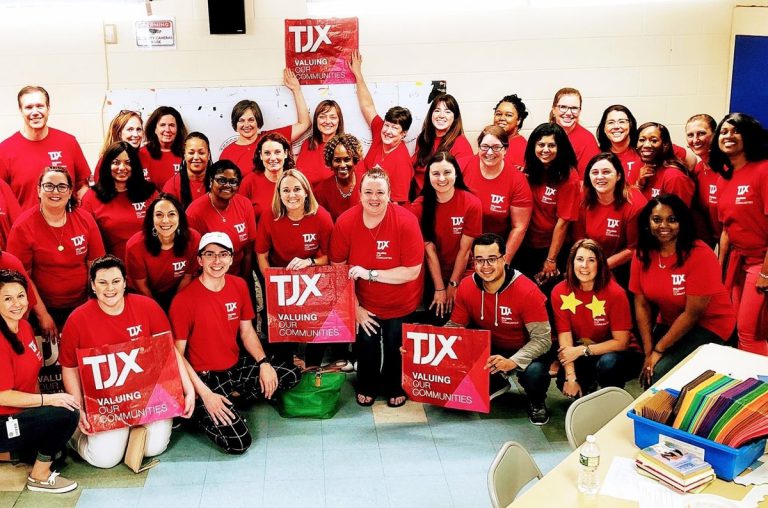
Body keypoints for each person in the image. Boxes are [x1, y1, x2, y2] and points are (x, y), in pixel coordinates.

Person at [59, 255, 195, 468]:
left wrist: (189, 390)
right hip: (105, 402)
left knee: (154, 448)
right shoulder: (77, 319)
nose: (109, 288)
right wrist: (79, 411)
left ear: (124, 283)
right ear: (93, 285)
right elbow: (69, 368)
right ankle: (73, 437)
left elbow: (168, 351)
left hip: (147, 396)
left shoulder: (147, 308)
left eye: (115, 281)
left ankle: (130, 428)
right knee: (105, 460)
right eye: (102, 282)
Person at [170, 232, 300, 454]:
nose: (217, 261)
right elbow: (177, 356)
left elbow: (247, 331)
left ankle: (232, 396)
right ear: (200, 260)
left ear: (231, 259)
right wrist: (205, 394)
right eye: (209, 255)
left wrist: (264, 363)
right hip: (204, 377)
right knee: (239, 442)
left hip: (234, 368)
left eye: (223, 254)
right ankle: (202, 412)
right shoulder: (184, 301)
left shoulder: (238, 285)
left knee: (290, 374)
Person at [330, 167, 424, 408]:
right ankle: (367, 385)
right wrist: (355, 307)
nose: (374, 198)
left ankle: (395, 385)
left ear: (390, 194)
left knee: (396, 346)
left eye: (380, 192)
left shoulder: (406, 221)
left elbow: (412, 270)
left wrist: (370, 274)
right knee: (367, 344)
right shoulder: (346, 222)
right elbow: (338, 268)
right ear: (359, 194)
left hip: (402, 299)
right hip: (365, 300)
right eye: (368, 192)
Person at [447, 233, 552, 425]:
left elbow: (543, 340)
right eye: (480, 260)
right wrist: (420, 345)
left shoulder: (527, 291)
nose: (485, 266)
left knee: (535, 374)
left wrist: (512, 362)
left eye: (492, 259)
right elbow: (455, 327)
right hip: (490, 347)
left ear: (504, 258)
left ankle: (537, 401)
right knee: (456, 397)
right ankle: (496, 381)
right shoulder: (466, 286)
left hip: (524, 349)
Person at [630, 195, 736, 386]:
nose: (664, 225)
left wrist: (659, 350)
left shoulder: (700, 254)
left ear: (682, 222)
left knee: (659, 375)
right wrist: (648, 351)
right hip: (670, 320)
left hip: (710, 324)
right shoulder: (642, 253)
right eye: (657, 219)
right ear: (648, 222)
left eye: (672, 220)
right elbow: (641, 303)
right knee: (648, 369)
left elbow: (693, 313)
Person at [0, 270, 80, 494]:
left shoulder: (24, 327)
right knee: (67, 413)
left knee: (58, 453)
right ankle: (39, 477)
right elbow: (2, 395)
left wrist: (43, 409)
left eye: (21, 296)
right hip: (3, 420)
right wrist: (49, 400)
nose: (17, 303)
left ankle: (9, 454)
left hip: (21, 415)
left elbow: (32, 376)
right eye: (7, 298)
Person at [7, 167, 106, 338]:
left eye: (61, 186)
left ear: (69, 192)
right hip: (45, 307)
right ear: (39, 190)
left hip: (84, 303)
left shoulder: (85, 220)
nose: (55, 191)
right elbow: (23, 278)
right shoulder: (23, 227)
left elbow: (96, 267)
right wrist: (43, 315)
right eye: (49, 186)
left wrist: (93, 304)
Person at [256, 169, 334, 366]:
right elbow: (262, 254)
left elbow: (329, 256)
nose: (292, 195)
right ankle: (285, 368)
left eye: (297, 189)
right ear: (279, 194)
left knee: (318, 323)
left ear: (306, 191)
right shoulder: (270, 216)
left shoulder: (321, 217)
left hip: (312, 280)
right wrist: (271, 283)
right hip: (281, 281)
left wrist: (310, 262)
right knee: (280, 330)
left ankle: (313, 365)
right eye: (286, 190)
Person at [709, 113, 768, 355]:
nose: (728, 136)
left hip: (761, 264)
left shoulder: (763, 170)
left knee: (750, 333)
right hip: (737, 263)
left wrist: (766, 272)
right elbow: (726, 230)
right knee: (732, 328)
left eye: (735, 131)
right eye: (723, 132)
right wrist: (718, 274)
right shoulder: (724, 178)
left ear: (749, 136)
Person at [553, 240, 643, 398]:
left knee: (608, 364)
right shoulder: (559, 291)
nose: (584, 266)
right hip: (583, 353)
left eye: (591, 260)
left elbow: (621, 342)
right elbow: (565, 339)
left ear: (600, 264)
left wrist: (582, 350)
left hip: (620, 353)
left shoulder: (615, 293)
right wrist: (571, 377)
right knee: (563, 382)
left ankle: (611, 397)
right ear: (571, 262)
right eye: (580, 259)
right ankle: (591, 385)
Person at [411, 152, 482, 324]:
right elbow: (429, 252)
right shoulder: (419, 207)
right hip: (434, 274)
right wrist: (440, 288)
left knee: (464, 321)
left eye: (447, 172)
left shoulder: (472, 203)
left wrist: (454, 284)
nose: (442, 178)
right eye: (435, 174)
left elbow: (465, 251)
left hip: (465, 272)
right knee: (438, 316)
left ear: (456, 173)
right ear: (428, 176)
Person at [0, 86, 90, 209]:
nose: (35, 112)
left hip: (67, 224)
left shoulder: (68, 142)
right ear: (20, 110)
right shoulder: (5, 150)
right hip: (26, 227)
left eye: (40, 106)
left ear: (48, 108)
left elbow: (83, 186)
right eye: (29, 107)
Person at [519, 123, 580, 288]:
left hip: (552, 249)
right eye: (541, 145)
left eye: (551, 145)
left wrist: (551, 259)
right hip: (527, 244)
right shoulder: (532, 170)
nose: (545, 150)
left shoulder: (569, 177)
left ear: (561, 148)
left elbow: (563, 222)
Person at [572, 152, 646, 285]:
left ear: (618, 176)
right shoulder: (582, 199)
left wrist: (601, 266)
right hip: (591, 263)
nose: (600, 177)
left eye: (606, 172)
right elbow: (580, 239)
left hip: (625, 268)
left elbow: (634, 249)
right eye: (594, 172)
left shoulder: (635, 203)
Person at [350, 51, 414, 203]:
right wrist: (358, 74)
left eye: (395, 128)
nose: (388, 131)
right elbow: (368, 106)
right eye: (387, 125)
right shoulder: (380, 131)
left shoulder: (402, 162)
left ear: (403, 134)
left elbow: (397, 203)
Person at [463, 126, 532, 265]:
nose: (489, 152)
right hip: (462, 246)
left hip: (495, 250)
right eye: (485, 146)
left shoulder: (517, 180)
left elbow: (519, 227)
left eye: (496, 147)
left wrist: (503, 262)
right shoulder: (462, 166)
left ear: (505, 150)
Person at [219, 69, 310, 175]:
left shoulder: (271, 138)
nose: (246, 125)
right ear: (235, 124)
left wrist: (296, 90)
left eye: (251, 120)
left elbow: (304, 124)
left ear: (258, 121)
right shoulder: (228, 152)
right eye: (241, 121)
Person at [81, 142, 158, 261]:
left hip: (150, 263)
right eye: (116, 163)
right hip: (112, 269)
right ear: (107, 165)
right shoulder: (91, 198)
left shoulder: (150, 193)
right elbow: (87, 241)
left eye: (128, 163)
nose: (122, 168)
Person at [125, 194, 200, 311]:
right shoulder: (134, 246)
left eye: (171, 214)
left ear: (180, 217)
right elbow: (142, 287)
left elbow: (187, 277)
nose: (165, 220)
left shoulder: (193, 239)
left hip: (179, 293)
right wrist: (158, 311)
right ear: (151, 218)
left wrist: (175, 307)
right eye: (159, 215)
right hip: (147, 297)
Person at [187, 160, 256, 279]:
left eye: (233, 182)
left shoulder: (245, 204)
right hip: (208, 278)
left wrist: (244, 282)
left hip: (239, 275)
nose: (227, 185)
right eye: (222, 180)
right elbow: (193, 258)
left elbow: (248, 252)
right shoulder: (194, 212)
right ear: (210, 181)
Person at [412, 93, 473, 195]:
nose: (441, 115)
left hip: (440, 202)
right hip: (417, 201)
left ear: (455, 117)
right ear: (431, 114)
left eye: (447, 111)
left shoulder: (461, 144)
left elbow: (460, 183)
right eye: (437, 110)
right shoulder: (423, 138)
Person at [239, 132, 296, 226]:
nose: (273, 158)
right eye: (267, 153)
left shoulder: (296, 180)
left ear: (285, 153)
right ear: (261, 155)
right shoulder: (249, 182)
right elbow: (241, 218)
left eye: (277, 152)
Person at [634, 122, 695, 206]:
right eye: (642, 140)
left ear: (665, 145)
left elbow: (679, 215)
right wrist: (640, 184)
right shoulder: (646, 171)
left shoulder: (674, 176)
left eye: (654, 140)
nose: (646, 145)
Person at [685, 114, 721, 246]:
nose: (695, 140)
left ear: (715, 135)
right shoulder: (698, 170)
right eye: (690, 135)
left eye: (701, 133)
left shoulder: (729, 170)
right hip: (715, 240)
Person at [549, 87, 599, 177]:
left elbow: (587, 182)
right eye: (563, 107)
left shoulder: (587, 140)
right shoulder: (542, 134)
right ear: (553, 109)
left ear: (580, 111)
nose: (568, 113)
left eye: (574, 108)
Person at [314, 134, 362, 221]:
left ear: (355, 160)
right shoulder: (321, 191)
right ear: (330, 162)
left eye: (347, 159)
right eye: (337, 160)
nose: (342, 165)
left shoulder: (366, 184)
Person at [295, 100, 344, 185]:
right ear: (316, 120)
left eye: (333, 117)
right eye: (322, 117)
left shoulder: (345, 147)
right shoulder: (307, 144)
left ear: (339, 121)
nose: (327, 121)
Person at [139, 106, 188, 188]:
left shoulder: (186, 154)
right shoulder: (141, 154)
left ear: (178, 129)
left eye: (172, 125)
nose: (167, 130)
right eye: (162, 125)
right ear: (154, 129)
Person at [162, 132, 212, 210]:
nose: (196, 157)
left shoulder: (217, 183)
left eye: (201, 153)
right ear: (184, 155)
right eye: (191, 153)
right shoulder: (172, 185)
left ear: (208, 155)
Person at [93, 110, 145, 184]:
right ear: (119, 133)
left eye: (139, 129)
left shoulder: (145, 156)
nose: (136, 134)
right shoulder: (106, 160)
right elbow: (100, 192)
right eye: (130, 129)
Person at [596, 105, 642, 184]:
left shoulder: (642, 152)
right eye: (611, 122)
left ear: (630, 125)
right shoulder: (597, 156)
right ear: (604, 128)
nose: (616, 127)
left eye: (622, 122)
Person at [492, 94, 529, 171]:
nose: (502, 118)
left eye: (508, 115)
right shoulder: (490, 141)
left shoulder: (522, 148)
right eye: (498, 114)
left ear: (519, 120)